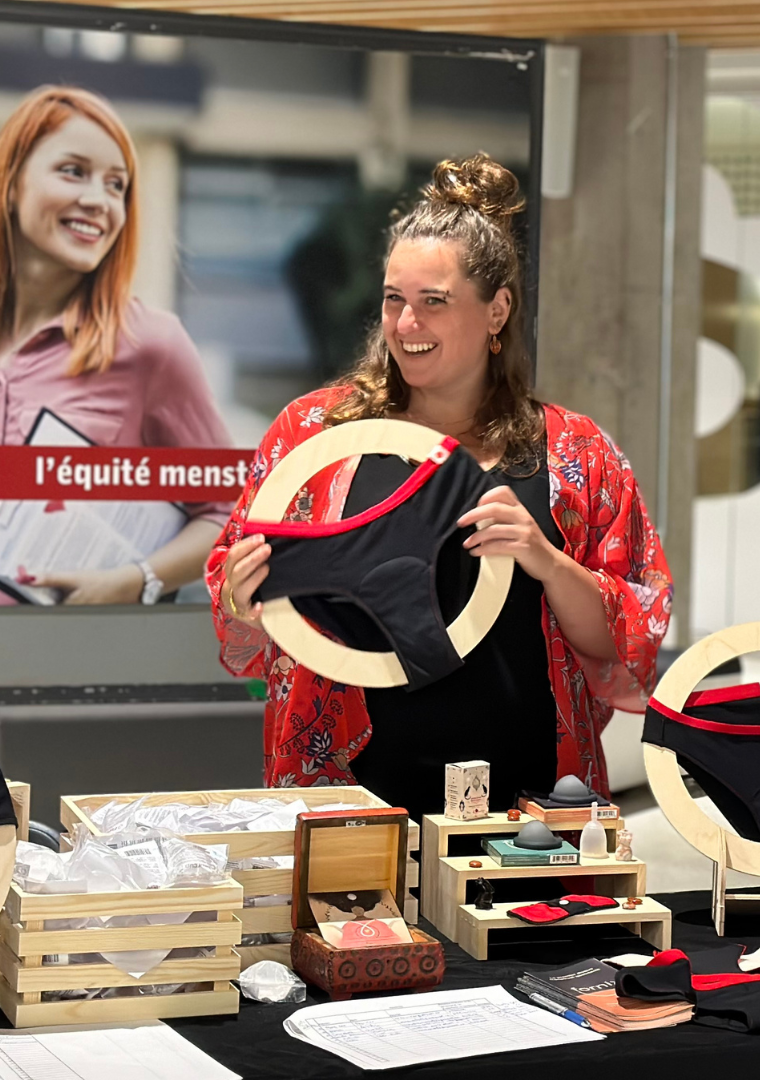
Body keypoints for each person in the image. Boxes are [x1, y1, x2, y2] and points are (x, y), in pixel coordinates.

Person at [206, 153, 672, 818]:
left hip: (529, 813)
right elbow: (240, 613)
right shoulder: (312, 437)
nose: (406, 325)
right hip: (349, 800)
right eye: (393, 299)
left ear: (497, 310)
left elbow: (626, 638)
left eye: (434, 302)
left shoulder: (576, 454)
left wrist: (545, 559)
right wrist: (241, 590)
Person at [0, 85, 232, 606]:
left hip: (59, 652)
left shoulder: (151, 347)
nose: (100, 201)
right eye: (73, 171)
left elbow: (228, 512)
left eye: (116, 185)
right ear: (11, 185)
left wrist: (134, 580)